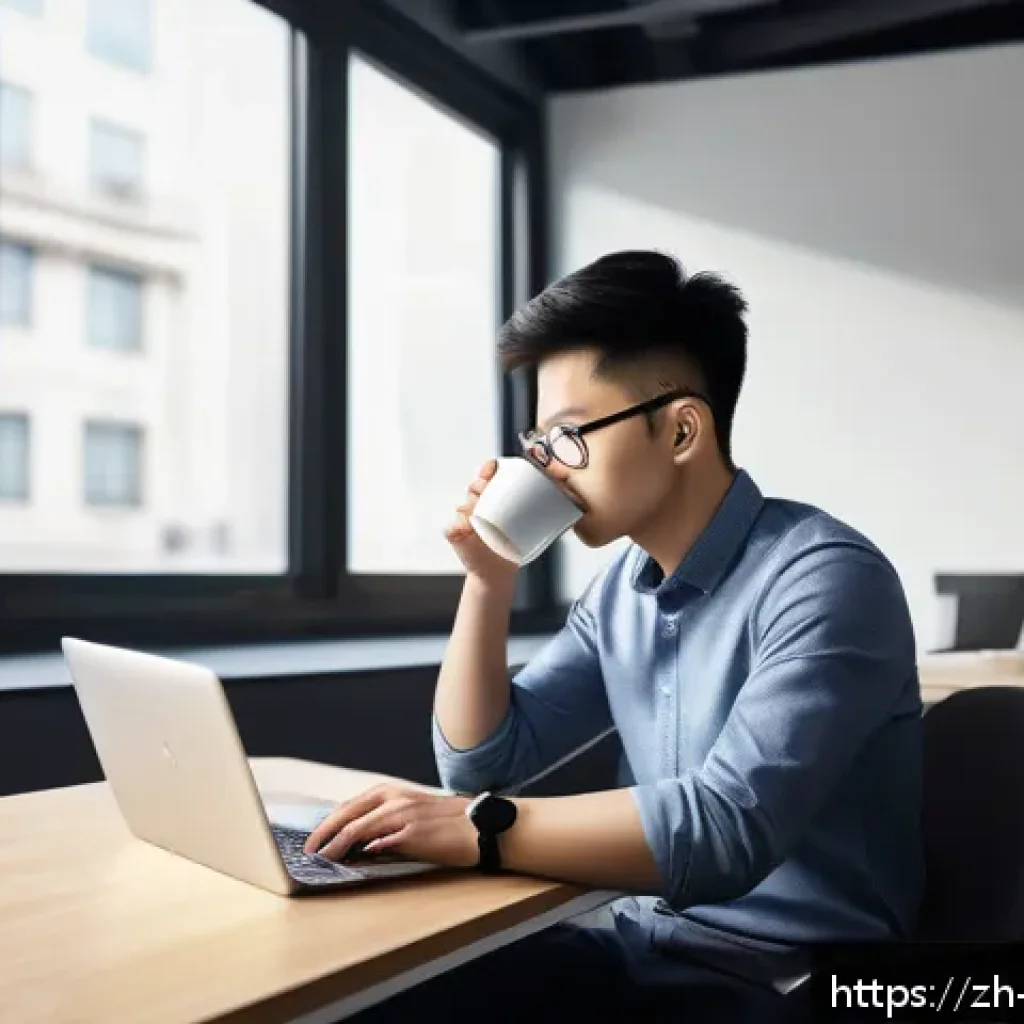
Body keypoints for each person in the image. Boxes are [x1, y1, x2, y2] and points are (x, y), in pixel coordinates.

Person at [305, 250, 924, 1022]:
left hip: (793, 982)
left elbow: (726, 829)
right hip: (643, 943)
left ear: (682, 431)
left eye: (569, 437)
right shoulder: (621, 595)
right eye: (539, 445)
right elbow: (480, 761)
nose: (547, 470)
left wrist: (481, 831)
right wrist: (489, 578)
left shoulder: (828, 579)